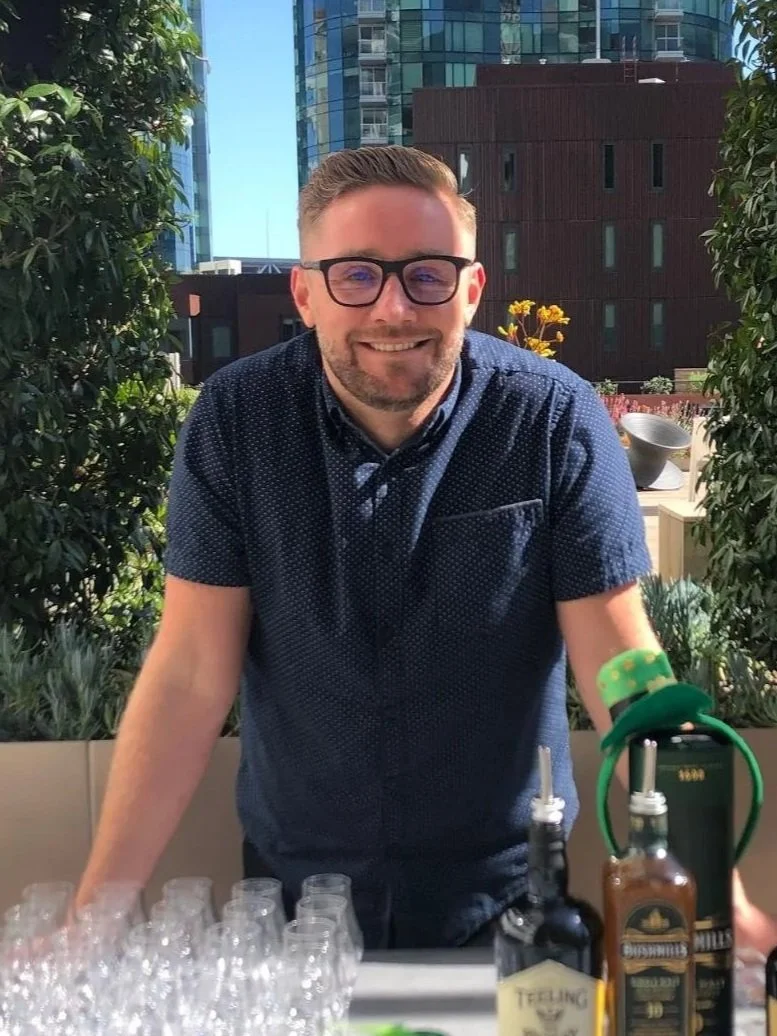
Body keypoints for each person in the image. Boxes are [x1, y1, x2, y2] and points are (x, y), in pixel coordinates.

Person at [74, 144, 776, 953]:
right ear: (305, 293)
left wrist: (710, 884)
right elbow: (192, 670)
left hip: (507, 901)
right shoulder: (236, 421)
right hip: (294, 897)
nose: (394, 310)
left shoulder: (552, 420)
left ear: (470, 290)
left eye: (427, 275)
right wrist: (92, 918)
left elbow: (622, 664)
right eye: (356, 274)